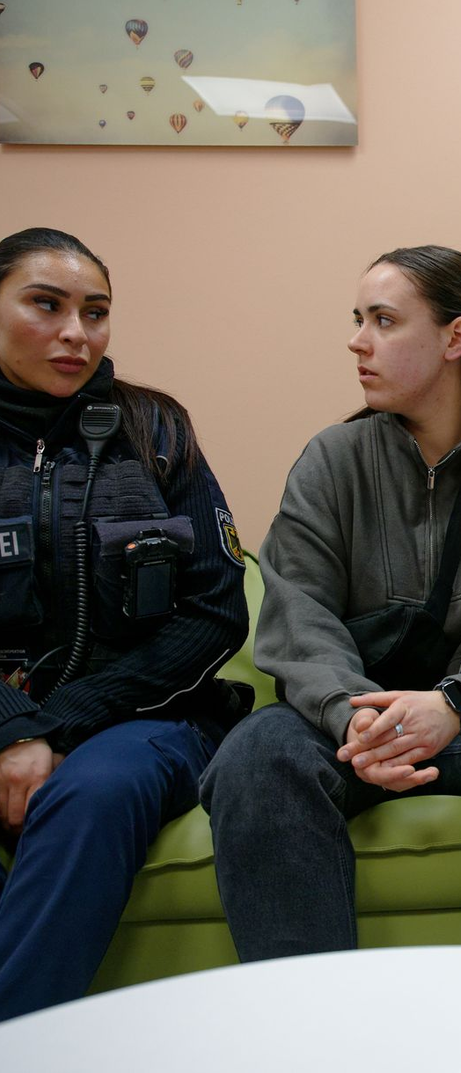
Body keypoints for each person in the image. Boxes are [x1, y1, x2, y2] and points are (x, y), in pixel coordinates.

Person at [201, 245, 461, 957]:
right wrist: (355, 717)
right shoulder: (330, 462)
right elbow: (297, 612)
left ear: (455, 339)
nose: (356, 340)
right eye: (358, 319)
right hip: (356, 728)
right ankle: (309, 1033)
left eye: (383, 320)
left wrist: (456, 704)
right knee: (257, 751)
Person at [0, 227, 250, 1020]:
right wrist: (13, 731)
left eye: (96, 311)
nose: (77, 332)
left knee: (95, 788)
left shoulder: (156, 429)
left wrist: (60, 727)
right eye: (47, 304)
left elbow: (215, 613)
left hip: (144, 721)